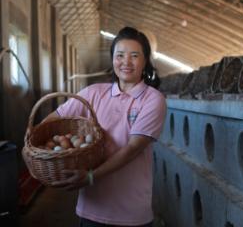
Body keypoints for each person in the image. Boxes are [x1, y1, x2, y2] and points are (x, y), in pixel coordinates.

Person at [45, 26, 167, 227]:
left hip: (131, 213)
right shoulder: (93, 93)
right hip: (91, 209)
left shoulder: (152, 100)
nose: (126, 62)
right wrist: (32, 144)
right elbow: (55, 118)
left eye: (134, 56)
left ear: (145, 61)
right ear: (112, 59)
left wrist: (91, 176)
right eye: (120, 55)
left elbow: (133, 148)